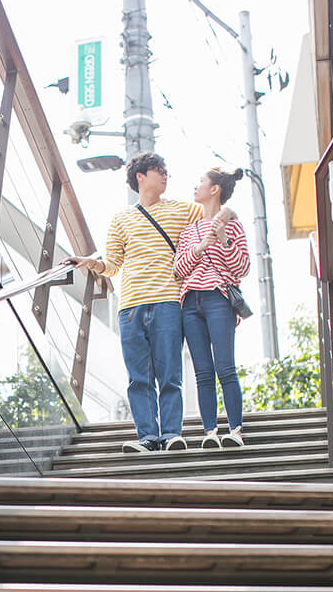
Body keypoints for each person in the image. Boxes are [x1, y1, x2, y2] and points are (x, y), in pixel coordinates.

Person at [70, 152, 231, 452]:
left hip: (169, 302)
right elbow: (113, 265)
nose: (166, 176)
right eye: (159, 170)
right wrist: (90, 263)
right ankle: (147, 436)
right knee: (138, 378)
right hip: (130, 306)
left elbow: (215, 213)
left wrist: (226, 213)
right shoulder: (121, 219)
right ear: (140, 177)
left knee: (170, 374)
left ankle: (171, 435)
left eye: (166, 170)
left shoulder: (184, 211)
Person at [173, 167, 250, 449]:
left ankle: (236, 431)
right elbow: (178, 270)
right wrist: (202, 246)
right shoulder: (189, 231)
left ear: (214, 189)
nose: (196, 187)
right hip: (190, 302)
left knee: (225, 367)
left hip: (219, 299)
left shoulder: (233, 225)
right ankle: (209, 432)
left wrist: (224, 240)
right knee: (202, 372)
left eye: (201, 182)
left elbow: (243, 267)